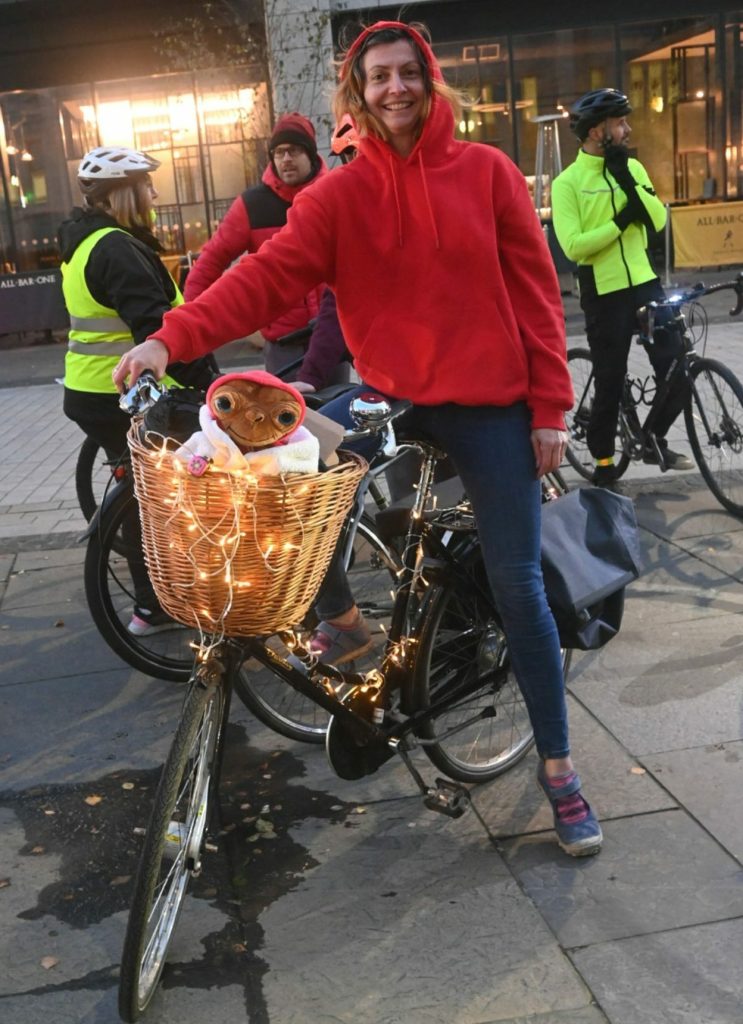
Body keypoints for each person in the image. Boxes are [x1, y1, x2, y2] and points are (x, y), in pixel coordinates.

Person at [113, 21, 603, 858]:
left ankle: (559, 769)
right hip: (391, 394)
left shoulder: (484, 172)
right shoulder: (337, 195)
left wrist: (550, 409)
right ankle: (342, 621)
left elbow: (535, 295)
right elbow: (262, 276)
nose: (395, 88)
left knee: (518, 584)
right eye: (378, 77)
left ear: (429, 80)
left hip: (489, 403)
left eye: (408, 73)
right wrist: (172, 336)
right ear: (358, 93)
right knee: (296, 479)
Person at [60, 144, 218, 635]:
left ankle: (154, 603)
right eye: (147, 184)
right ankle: (172, 597)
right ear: (126, 192)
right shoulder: (116, 249)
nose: (153, 192)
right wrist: (216, 390)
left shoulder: (85, 242)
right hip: (131, 394)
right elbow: (156, 329)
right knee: (188, 489)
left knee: (142, 495)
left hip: (92, 392)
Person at [552, 88, 693, 487]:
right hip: (603, 290)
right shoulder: (568, 183)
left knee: (677, 367)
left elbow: (657, 222)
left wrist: (628, 184)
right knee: (610, 379)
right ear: (598, 130)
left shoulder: (632, 168)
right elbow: (573, 246)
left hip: (644, 282)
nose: (627, 129)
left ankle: (653, 438)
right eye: (620, 123)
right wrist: (618, 221)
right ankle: (603, 461)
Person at [184, 112, 348, 385]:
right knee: (286, 421)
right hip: (283, 344)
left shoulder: (334, 193)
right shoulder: (252, 205)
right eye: (279, 152)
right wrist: (188, 320)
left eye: (294, 151)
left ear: (310, 154)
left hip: (330, 336)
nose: (286, 159)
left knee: (336, 420)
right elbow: (210, 261)